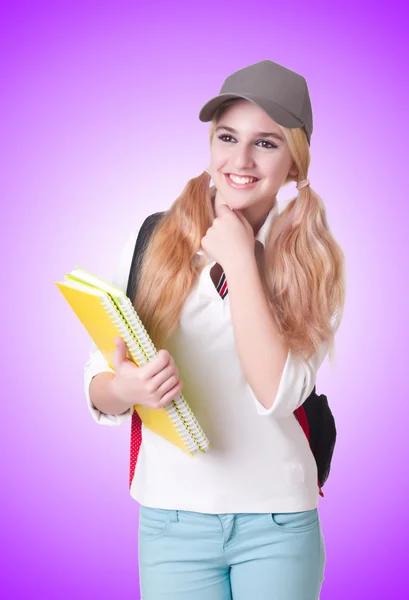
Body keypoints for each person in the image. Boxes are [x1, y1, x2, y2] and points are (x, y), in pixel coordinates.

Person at [84, 59, 345, 600]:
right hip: (171, 521)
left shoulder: (314, 261)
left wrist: (241, 261)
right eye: (228, 137)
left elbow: (278, 392)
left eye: (267, 143)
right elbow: (99, 380)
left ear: (295, 162)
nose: (241, 160)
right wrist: (125, 390)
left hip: (276, 523)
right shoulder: (154, 240)